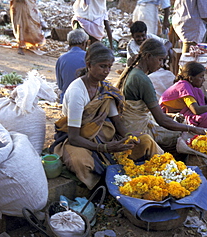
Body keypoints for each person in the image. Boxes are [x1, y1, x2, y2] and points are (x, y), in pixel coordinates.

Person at [50, 42, 163, 190]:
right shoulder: (78, 91)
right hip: (79, 138)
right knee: (81, 162)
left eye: (109, 66)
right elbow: (74, 136)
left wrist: (128, 135)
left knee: (144, 140)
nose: (107, 71)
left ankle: (163, 171)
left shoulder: (106, 90)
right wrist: (103, 148)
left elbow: (117, 122)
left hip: (105, 135)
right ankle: (100, 188)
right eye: (102, 66)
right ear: (89, 65)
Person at [116, 38, 206, 151]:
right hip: (137, 131)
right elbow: (161, 120)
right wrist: (191, 129)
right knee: (185, 137)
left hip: (130, 125)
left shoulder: (133, 71)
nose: (161, 64)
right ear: (148, 56)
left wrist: (172, 117)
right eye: (160, 60)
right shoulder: (141, 79)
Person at [159, 61, 207, 128]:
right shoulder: (184, 87)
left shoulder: (191, 85)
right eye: (201, 77)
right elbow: (196, 110)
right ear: (191, 78)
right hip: (171, 115)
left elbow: (203, 99)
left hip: (184, 109)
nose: (204, 79)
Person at [55, 29, 89, 104]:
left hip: (66, 100)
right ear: (84, 44)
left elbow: (60, 86)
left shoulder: (61, 59)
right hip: (86, 99)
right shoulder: (89, 57)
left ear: (69, 44)